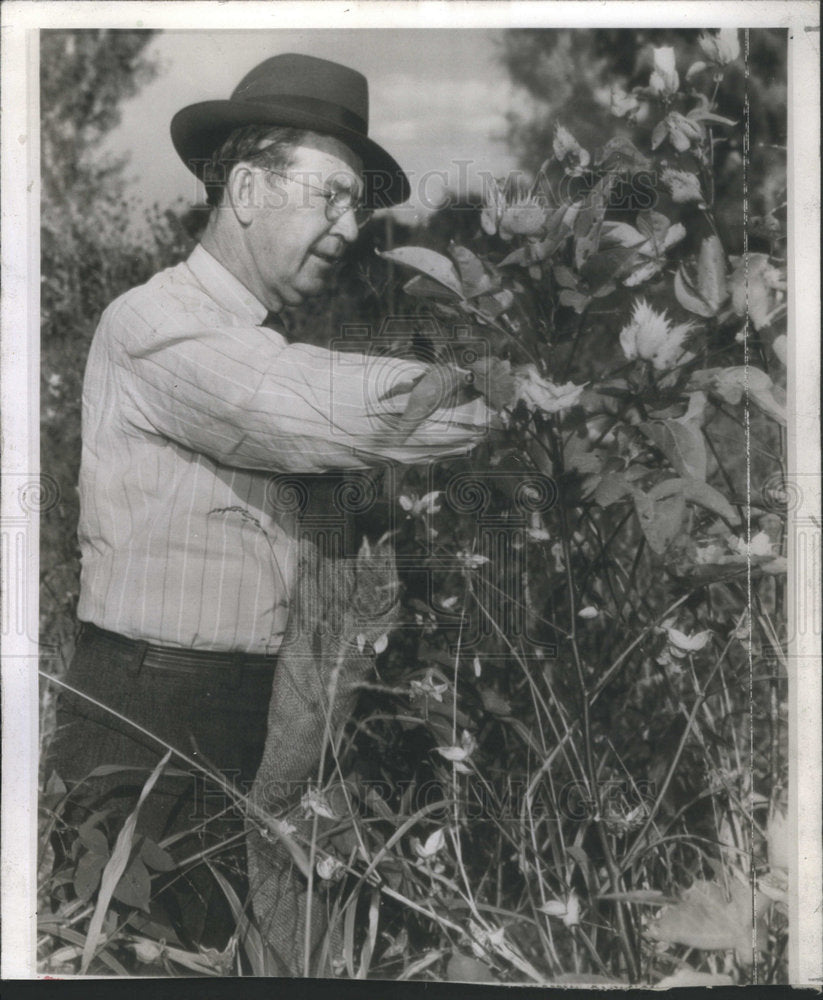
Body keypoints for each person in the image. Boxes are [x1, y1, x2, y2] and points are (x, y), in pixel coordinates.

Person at [44, 53, 489, 953]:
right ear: (246, 188)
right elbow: (295, 405)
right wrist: (501, 387)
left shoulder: (259, 336)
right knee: (140, 956)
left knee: (231, 952)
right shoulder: (153, 323)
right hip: (152, 711)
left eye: (358, 205)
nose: (350, 225)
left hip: (249, 703)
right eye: (330, 195)